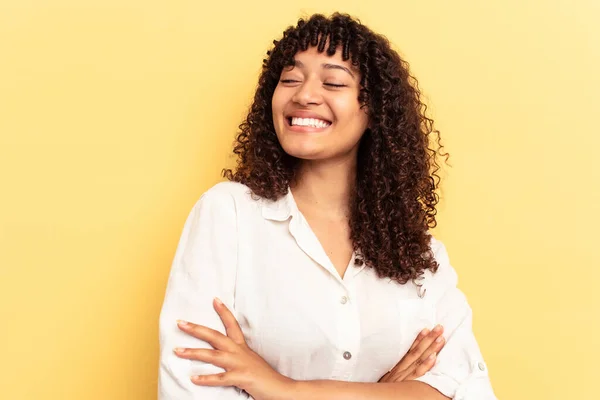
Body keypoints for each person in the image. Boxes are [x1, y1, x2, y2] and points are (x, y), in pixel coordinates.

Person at [158, 12, 497, 400]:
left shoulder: (419, 254)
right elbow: (191, 387)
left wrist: (283, 388)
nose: (303, 95)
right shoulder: (228, 215)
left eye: (333, 81)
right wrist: (384, 394)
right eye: (289, 79)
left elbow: (470, 392)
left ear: (375, 111)